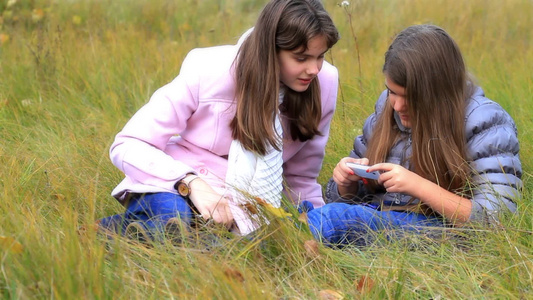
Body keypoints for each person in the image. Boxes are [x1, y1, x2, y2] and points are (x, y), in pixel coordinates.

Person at [97, 0, 340, 242]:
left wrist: (312, 227)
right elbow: (128, 144)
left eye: (320, 57)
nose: (314, 69)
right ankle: (122, 236)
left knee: (284, 237)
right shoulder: (209, 69)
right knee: (175, 221)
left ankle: (124, 236)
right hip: (177, 185)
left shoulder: (324, 83)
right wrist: (191, 184)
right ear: (270, 50)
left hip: (245, 202)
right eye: (301, 58)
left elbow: (301, 177)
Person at [303, 24, 522, 247]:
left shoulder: (484, 120)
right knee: (310, 214)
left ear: (438, 91)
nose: (397, 105)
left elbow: (498, 219)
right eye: (392, 92)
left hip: (441, 232)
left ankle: (287, 246)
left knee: (335, 219)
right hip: (381, 220)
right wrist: (345, 185)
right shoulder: (387, 110)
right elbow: (354, 198)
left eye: (410, 96)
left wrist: (417, 186)